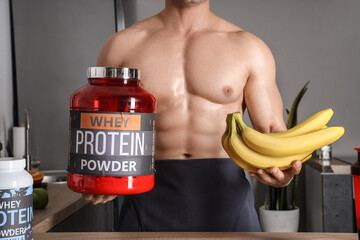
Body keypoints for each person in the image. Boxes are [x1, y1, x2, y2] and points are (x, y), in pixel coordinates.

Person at [83, 0, 302, 231]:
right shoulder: (122, 46)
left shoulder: (249, 48)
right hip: (145, 203)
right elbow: (103, 135)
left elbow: (270, 129)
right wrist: (97, 179)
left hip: (228, 204)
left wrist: (283, 170)